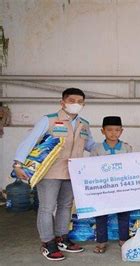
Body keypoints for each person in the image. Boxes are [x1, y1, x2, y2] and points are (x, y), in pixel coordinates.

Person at [12, 88, 96, 261]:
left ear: (84, 104)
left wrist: (115, 151)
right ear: (62, 102)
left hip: (72, 173)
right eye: (72, 100)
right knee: (47, 207)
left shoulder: (84, 124)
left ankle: (62, 238)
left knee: (65, 206)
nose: (76, 104)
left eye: (80, 102)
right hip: (49, 172)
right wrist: (18, 163)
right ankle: (48, 243)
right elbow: (30, 140)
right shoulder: (49, 120)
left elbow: (91, 146)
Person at [91, 116, 133, 254]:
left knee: (123, 213)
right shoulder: (97, 149)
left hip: (122, 188)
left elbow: (132, 167)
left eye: (117, 130)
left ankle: (124, 240)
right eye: (109, 130)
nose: (113, 133)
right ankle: (101, 242)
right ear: (102, 131)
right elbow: (91, 168)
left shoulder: (127, 148)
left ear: (122, 131)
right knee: (101, 215)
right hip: (103, 188)